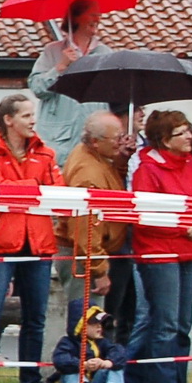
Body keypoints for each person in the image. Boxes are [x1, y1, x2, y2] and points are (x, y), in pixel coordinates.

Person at [0, 93, 62, 383]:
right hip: (0, 244)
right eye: (26, 115)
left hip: (39, 243)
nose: (33, 121)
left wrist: (29, 191)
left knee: (35, 319)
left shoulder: (46, 153)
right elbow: (1, 191)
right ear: (8, 120)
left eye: (33, 115)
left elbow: (58, 193)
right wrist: (35, 188)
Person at [125, 110, 192, 383]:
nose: (189, 136)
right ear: (164, 139)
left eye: (189, 130)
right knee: (165, 324)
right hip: (159, 254)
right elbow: (146, 216)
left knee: (183, 324)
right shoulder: (147, 170)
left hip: (190, 252)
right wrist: (185, 227)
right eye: (180, 133)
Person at [54, 113, 128, 342]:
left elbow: (111, 182)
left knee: (91, 321)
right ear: (96, 141)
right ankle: (80, 364)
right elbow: (85, 229)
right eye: (116, 138)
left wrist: (122, 160)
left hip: (86, 253)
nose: (120, 142)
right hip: (82, 257)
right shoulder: (88, 174)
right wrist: (99, 270)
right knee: (88, 323)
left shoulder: (95, 157)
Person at [27, 0, 111, 165]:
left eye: (98, 15)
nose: (97, 19)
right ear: (75, 18)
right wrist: (60, 67)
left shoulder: (105, 54)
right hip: (59, 144)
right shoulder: (53, 51)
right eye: (92, 15)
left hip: (94, 145)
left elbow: (114, 94)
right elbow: (36, 87)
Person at [52, 303, 127, 383]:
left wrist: (107, 363)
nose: (99, 326)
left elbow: (120, 352)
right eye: (94, 323)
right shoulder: (67, 342)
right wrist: (83, 365)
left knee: (115, 366)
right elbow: (60, 360)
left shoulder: (103, 342)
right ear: (81, 325)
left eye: (100, 323)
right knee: (72, 370)